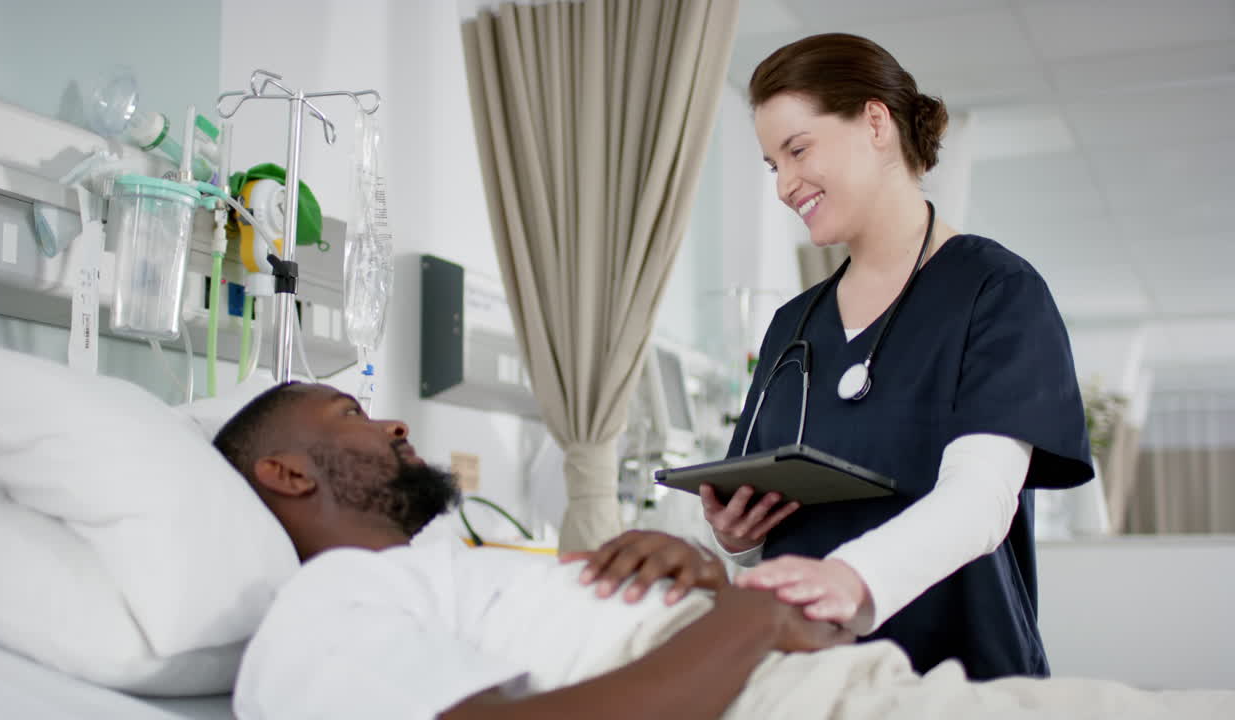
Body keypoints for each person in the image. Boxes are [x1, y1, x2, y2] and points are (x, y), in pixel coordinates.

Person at [213, 382, 1232, 720]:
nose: (393, 425)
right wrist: (742, 622)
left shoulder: (442, 568)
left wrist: (695, 572)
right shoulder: (324, 605)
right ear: (287, 475)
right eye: (350, 414)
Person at [701, 32, 1095, 681]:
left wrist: (853, 578)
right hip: (809, 678)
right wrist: (736, 535)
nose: (784, 186)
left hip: (959, 678)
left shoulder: (997, 293)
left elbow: (981, 498)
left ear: (876, 122)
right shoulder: (791, 326)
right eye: (774, 165)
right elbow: (767, 518)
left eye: (798, 149)